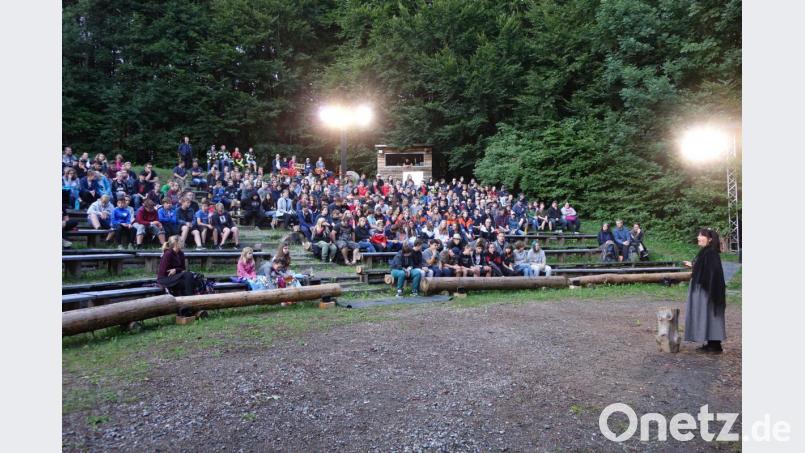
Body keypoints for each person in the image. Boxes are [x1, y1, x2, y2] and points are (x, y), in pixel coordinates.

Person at [683, 228, 727, 354]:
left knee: (710, 315)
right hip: (704, 289)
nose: (698, 237)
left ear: (710, 239)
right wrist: (693, 265)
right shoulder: (706, 252)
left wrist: (709, 292)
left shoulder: (711, 253)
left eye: (701, 235)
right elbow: (704, 268)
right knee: (706, 315)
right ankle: (711, 343)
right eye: (698, 235)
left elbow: (712, 273)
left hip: (707, 291)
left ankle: (715, 345)